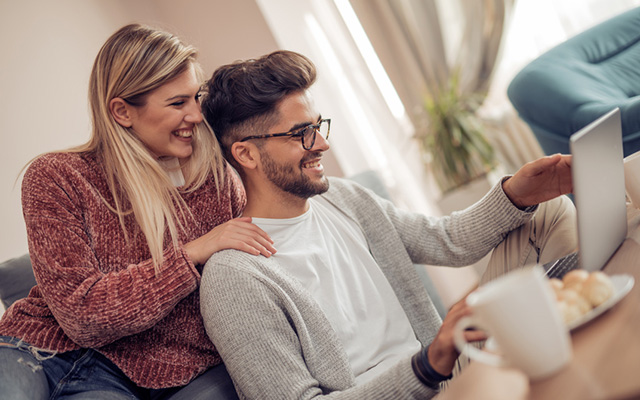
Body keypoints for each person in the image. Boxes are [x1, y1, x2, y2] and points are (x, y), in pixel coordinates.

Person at [198, 50, 577, 399]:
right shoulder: (234, 278)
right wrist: (426, 367)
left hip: (447, 370)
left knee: (548, 210)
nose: (322, 145)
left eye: (318, 126)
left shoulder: (344, 198)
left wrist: (517, 194)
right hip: (416, 380)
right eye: (301, 134)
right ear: (246, 153)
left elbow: (447, 241)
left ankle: (579, 335)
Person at [0, 24, 276, 400]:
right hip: (42, 351)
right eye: (178, 103)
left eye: (196, 97)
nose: (197, 115)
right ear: (122, 111)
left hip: (151, 372)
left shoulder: (218, 179)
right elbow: (83, 315)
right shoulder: (57, 177)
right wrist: (191, 254)